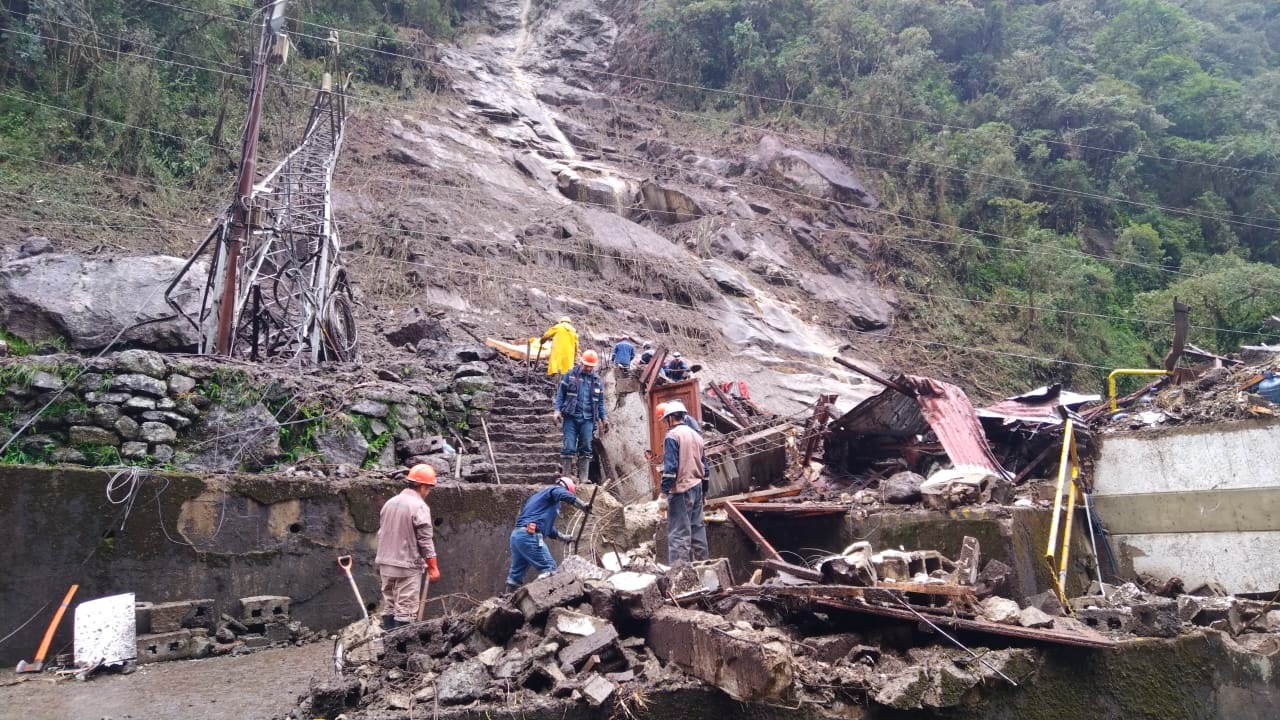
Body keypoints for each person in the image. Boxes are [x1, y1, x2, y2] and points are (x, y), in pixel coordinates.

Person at [375, 464, 441, 630]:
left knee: (390, 606)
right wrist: (433, 567)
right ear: (424, 486)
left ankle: (389, 647)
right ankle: (402, 652)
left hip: (386, 564)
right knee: (406, 610)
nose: (428, 492)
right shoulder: (419, 507)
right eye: (429, 488)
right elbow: (425, 540)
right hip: (407, 566)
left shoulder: (390, 503)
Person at [505, 476, 591, 592]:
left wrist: (564, 538)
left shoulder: (539, 499)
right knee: (550, 568)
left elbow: (548, 528)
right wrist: (582, 505)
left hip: (518, 536)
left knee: (515, 576)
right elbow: (560, 493)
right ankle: (545, 599)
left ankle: (506, 603)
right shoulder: (553, 490)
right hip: (530, 536)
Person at [658, 400, 710, 565]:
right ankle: (705, 569)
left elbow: (670, 469)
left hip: (681, 491)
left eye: (667, 420)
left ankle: (679, 577)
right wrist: (705, 492)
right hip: (697, 487)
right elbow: (706, 468)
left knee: (679, 535)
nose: (667, 423)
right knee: (697, 531)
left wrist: (664, 494)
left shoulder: (672, 436)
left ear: (671, 418)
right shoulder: (697, 436)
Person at [554, 350, 608, 482]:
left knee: (586, 447)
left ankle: (583, 478)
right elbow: (561, 395)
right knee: (569, 446)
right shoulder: (570, 375)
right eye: (586, 365)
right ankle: (566, 476)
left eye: (591, 366)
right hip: (571, 417)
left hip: (588, 419)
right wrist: (557, 410)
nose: (588, 368)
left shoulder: (596, 381)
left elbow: (600, 402)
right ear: (581, 362)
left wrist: (604, 418)